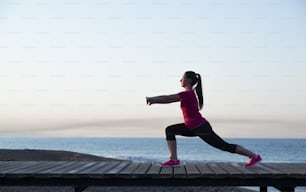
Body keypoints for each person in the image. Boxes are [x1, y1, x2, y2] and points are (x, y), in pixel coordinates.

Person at [146, 71, 262, 167]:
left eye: (182, 78)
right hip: (192, 127)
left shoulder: (188, 94)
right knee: (170, 130)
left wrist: (153, 99)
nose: (180, 80)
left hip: (200, 127)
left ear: (189, 80)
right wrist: (154, 100)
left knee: (224, 146)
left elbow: (168, 98)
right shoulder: (189, 94)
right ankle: (174, 159)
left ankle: (254, 156)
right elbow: (168, 99)